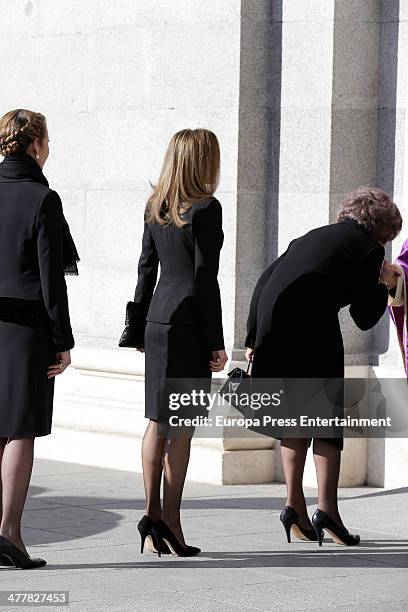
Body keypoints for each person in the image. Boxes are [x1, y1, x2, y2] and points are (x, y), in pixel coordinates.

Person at [245, 186, 401, 546]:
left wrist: (252, 337)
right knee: (327, 417)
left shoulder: (313, 235)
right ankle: (327, 511)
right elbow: (364, 317)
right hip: (311, 326)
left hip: (272, 323)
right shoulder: (369, 249)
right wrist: (386, 283)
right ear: (381, 229)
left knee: (295, 414)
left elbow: (267, 278)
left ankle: (294, 507)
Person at [119, 128, 227, 557]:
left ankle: (151, 514)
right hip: (187, 325)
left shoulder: (155, 206)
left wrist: (137, 326)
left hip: (157, 322)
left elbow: (145, 269)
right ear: (204, 161)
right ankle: (171, 520)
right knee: (180, 427)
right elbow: (205, 279)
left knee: (155, 420)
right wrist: (216, 341)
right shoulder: (207, 208)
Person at [0, 109, 79, 568]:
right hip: (26, 327)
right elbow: (52, 278)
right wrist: (62, 339)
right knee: (20, 429)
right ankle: (9, 532)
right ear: (35, 145)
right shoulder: (41, 197)